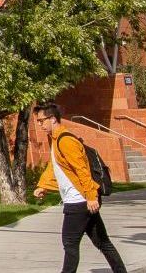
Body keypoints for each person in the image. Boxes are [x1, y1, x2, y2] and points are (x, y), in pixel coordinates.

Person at [31, 104, 127, 273]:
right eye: (38, 121)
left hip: (78, 201)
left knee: (70, 243)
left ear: (52, 119)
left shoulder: (65, 140)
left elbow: (82, 170)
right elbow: (54, 167)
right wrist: (43, 186)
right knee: (102, 242)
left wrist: (91, 196)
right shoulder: (56, 139)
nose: (40, 124)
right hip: (81, 200)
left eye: (41, 121)